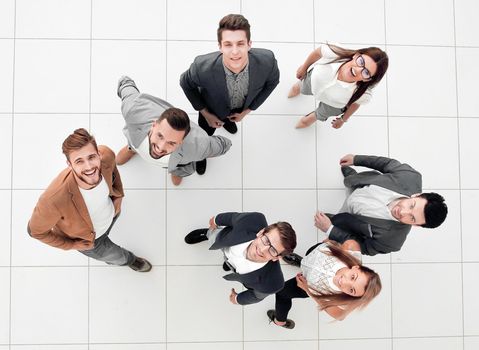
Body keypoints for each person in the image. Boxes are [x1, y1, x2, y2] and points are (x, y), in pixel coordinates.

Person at [27, 128, 151, 272]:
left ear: (99, 154)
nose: (89, 167)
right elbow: (34, 231)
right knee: (117, 256)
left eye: (91, 157)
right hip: (89, 241)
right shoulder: (53, 200)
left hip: (111, 214)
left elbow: (114, 174)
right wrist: (71, 245)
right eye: (79, 161)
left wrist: (118, 197)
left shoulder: (107, 155)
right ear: (69, 164)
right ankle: (130, 260)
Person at [287, 154, 448, 259]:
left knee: (334, 221)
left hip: (350, 217)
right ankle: (351, 176)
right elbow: (385, 164)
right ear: (416, 195)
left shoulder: (392, 241)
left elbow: (363, 246)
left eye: (411, 218)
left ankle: (333, 220)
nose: (403, 211)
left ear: (417, 226)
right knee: (352, 180)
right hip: (363, 185)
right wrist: (357, 159)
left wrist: (331, 230)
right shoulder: (410, 177)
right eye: (411, 205)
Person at [180, 14, 279, 172]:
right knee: (205, 134)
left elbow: (272, 82)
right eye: (228, 44)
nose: (235, 52)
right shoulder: (201, 66)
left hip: (239, 108)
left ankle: (228, 122)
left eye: (240, 43)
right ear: (220, 46)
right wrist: (206, 114)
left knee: (229, 118)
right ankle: (201, 154)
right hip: (211, 109)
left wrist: (247, 111)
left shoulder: (267, 61)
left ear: (249, 44)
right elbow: (185, 83)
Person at [116, 76, 232, 185]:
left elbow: (223, 144)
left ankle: (176, 171)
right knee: (134, 143)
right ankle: (132, 149)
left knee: (181, 168)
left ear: (181, 142)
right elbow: (125, 83)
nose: (160, 148)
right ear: (154, 125)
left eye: (171, 143)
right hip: (137, 137)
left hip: (179, 161)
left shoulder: (197, 145)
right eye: (160, 136)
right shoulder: (133, 109)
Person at [184, 212, 296, 305]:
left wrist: (238, 299)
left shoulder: (272, 283)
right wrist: (216, 220)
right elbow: (232, 218)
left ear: (277, 257)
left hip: (240, 271)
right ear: (261, 232)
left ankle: (229, 264)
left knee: (230, 266)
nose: (262, 250)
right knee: (213, 236)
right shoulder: (254, 219)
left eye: (273, 250)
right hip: (225, 241)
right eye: (266, 240)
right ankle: (207, 233)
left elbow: (256, 296)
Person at [268, 240, 381, 329]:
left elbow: (340, 316)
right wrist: (334, 245)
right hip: (317, 255)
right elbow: (351, 243)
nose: (344, 282)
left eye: (351, 290)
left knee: (282, 293)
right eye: (353, 277)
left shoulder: (334, 295)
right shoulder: (351, 256)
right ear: (356, 267)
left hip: (310, 283)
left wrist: (308, 290)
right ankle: (301, 262)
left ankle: (280, 321)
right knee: (310, 252)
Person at [289, 43, 388, 129]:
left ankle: (307, 120)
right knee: (301, 87)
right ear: (356, 55)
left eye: (366, 72)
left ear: (367, 79)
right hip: (314, 82)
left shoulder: (364, 94)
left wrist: (343, 119)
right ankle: (297, 88)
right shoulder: (336, 52)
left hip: (334, 104)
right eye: (361, 62)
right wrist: (304, 67)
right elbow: (318, 52)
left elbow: (355, 104)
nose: (358, 70)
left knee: (319, 115)